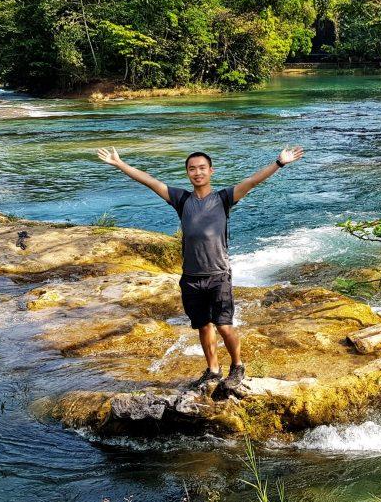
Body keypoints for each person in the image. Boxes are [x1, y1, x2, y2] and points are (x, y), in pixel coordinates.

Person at [95, 145, 305, 391]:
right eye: (192, 169)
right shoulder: (181, 200)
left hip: (218, 275)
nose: (197, 173)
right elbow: (150, 182)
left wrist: (278, 163)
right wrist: (120, 164)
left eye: (202, 168)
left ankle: (237, 367)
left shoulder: (224, 198)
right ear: (187, 173)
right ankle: (213, 370)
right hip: (192, 278)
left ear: (211, 171)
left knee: (224, 325)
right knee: (203, 326)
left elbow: (251, 181)